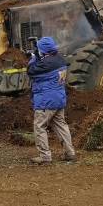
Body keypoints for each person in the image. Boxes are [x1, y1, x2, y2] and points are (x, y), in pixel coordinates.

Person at [28, 36, 76, 164]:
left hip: (45, 101)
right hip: (59, 99)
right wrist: (39, 56)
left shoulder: (44, 64)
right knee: (61, 126)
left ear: (43, 50)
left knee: (40, 127)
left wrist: (34, 58)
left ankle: (45, 156)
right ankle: (70, 153)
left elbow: (31, 71)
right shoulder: (60, 60)